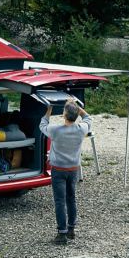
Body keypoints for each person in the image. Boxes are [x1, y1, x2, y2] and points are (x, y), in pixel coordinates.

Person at [39, 99, 92, 245]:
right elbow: (88, 118)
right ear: (75, 116)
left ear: (64, 114)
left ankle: (61, 234)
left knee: (60, 201)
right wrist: (77, 106)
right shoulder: (81, 129)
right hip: (73, 169)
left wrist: (49, 110)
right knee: (71, 198)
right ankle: (71, 229)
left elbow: (42, 125)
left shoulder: (55, 130)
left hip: (58, 170)